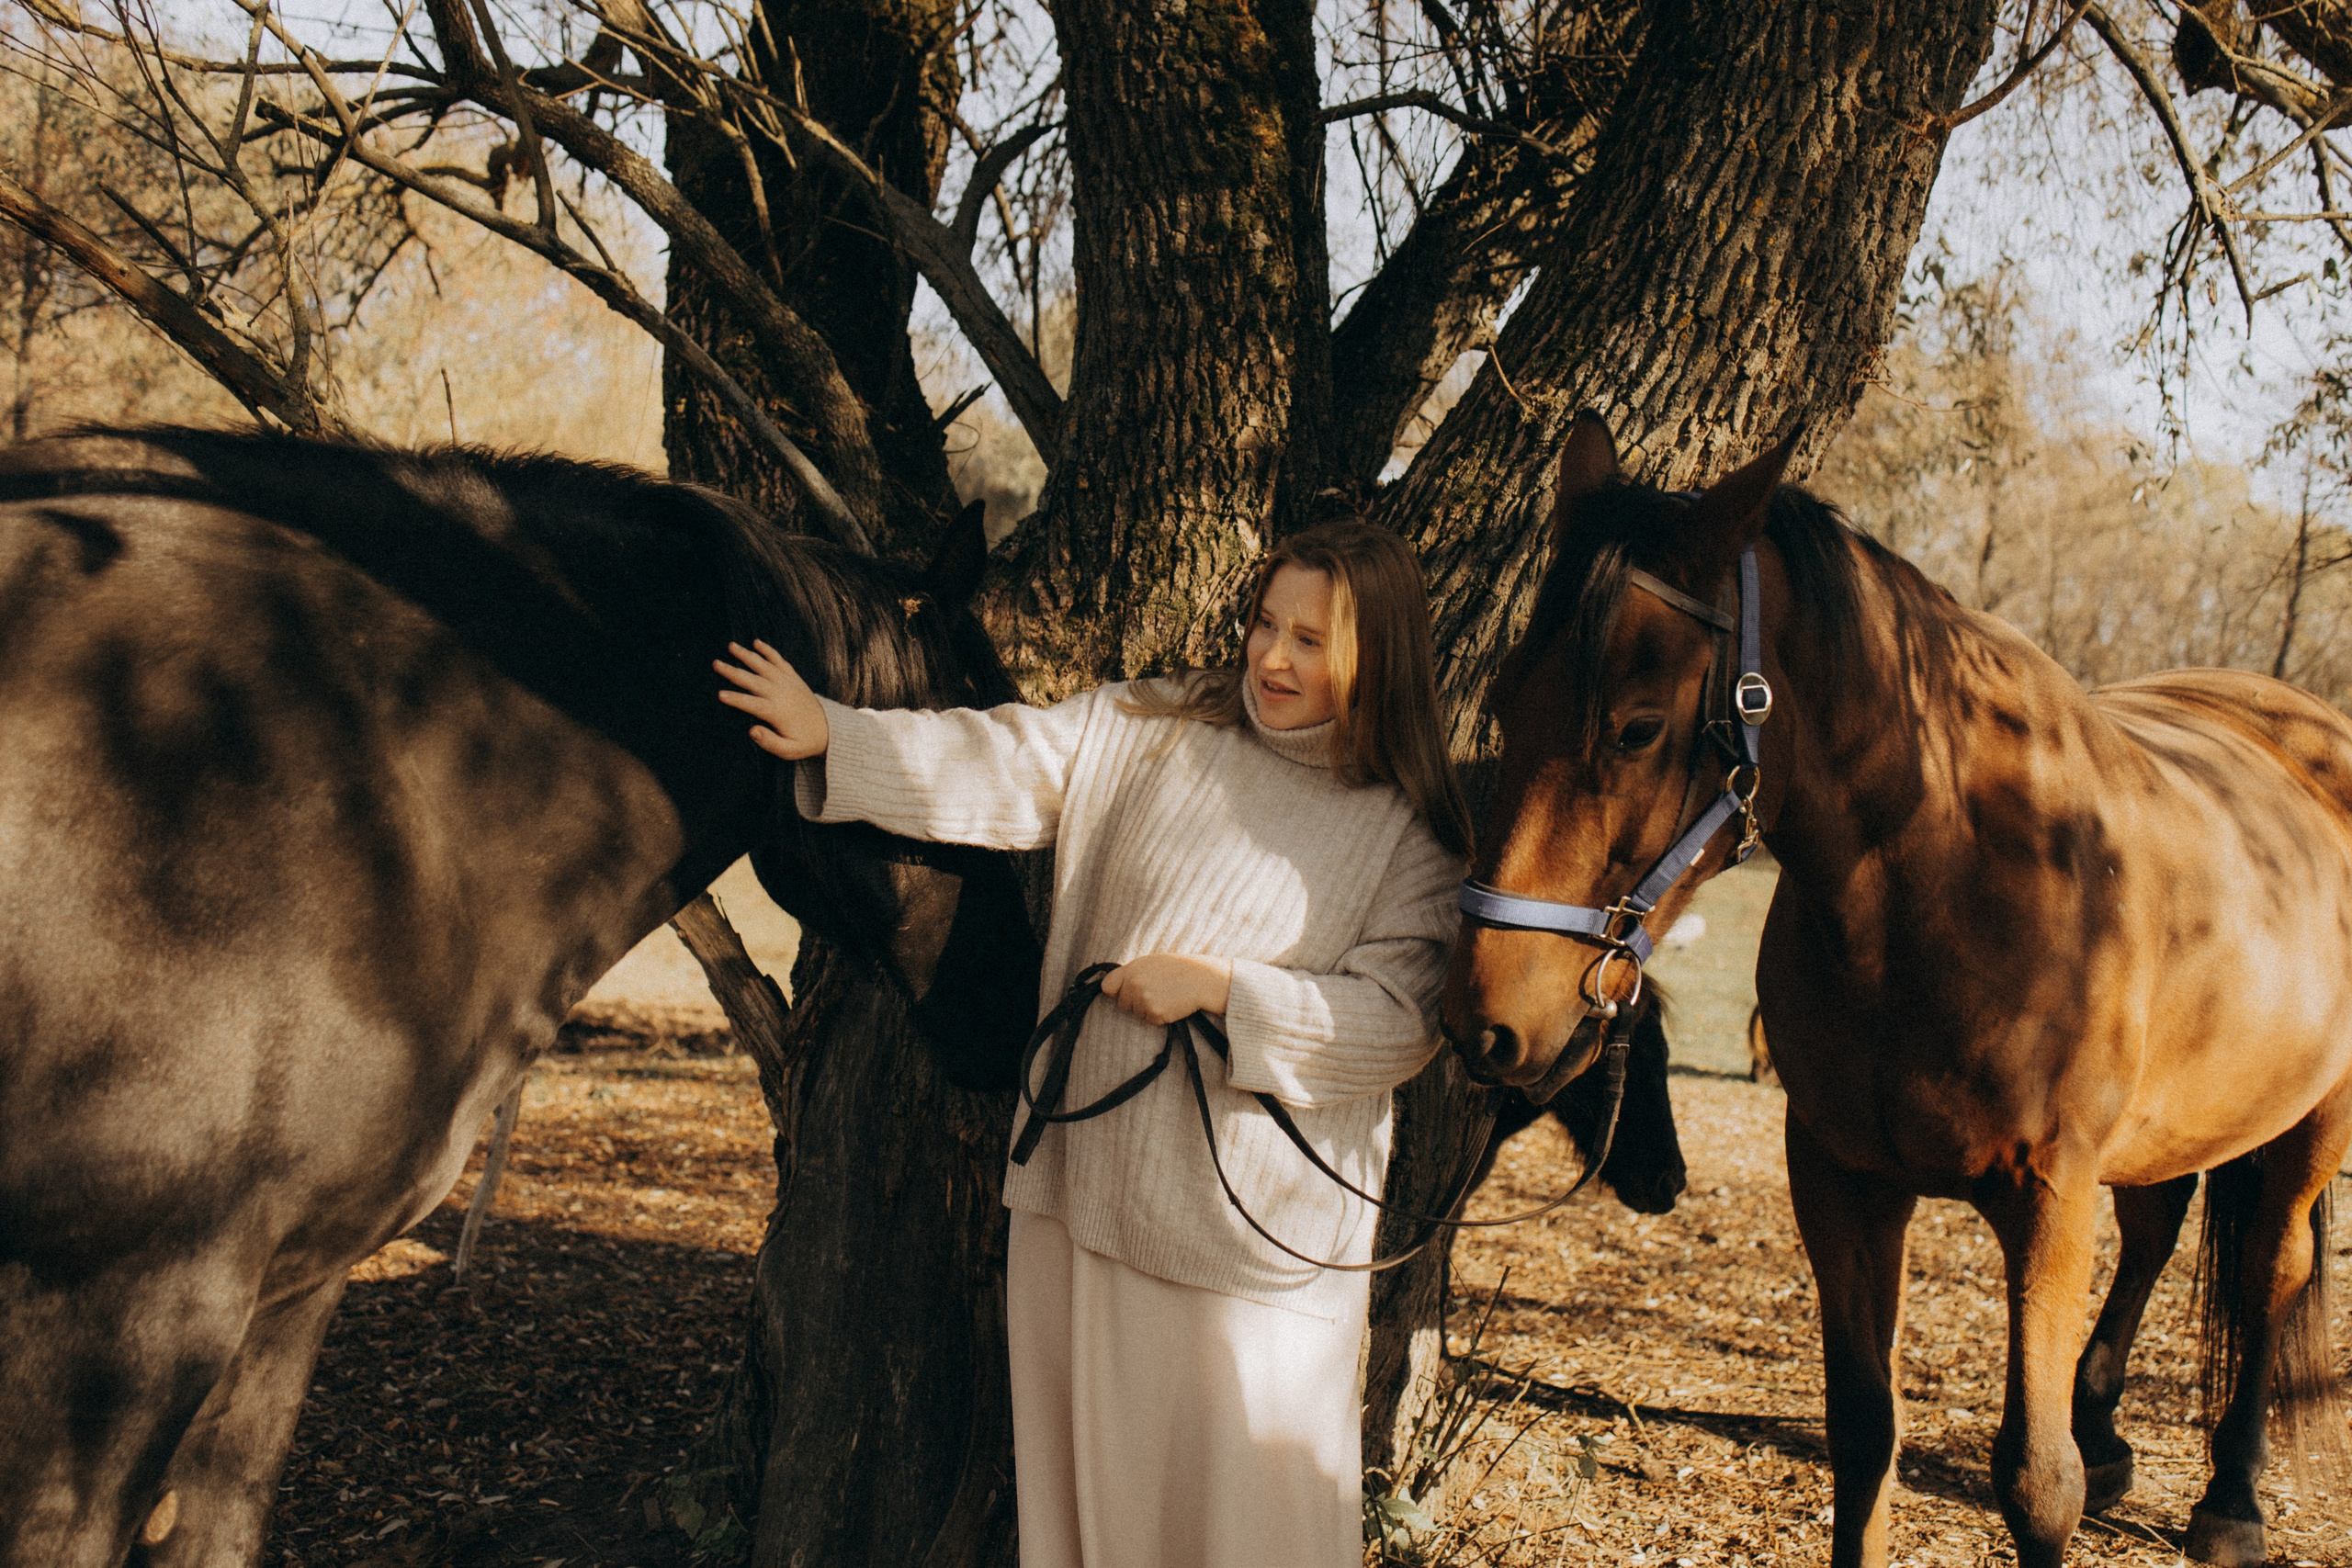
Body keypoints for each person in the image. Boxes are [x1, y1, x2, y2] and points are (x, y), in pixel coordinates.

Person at [715, 521, 1469, 1568]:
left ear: (1378, 656)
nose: (1272, 658)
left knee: (1249, 1531)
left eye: (1310, 639)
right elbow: (1000, 760)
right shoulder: (1151, 722)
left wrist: (1222, 992)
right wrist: (837, 734)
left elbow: (1394, 1026)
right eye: (1263, 625)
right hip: (1080, 1196)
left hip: (1250, 1253)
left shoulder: (1412, 832)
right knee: (1083, 1524)